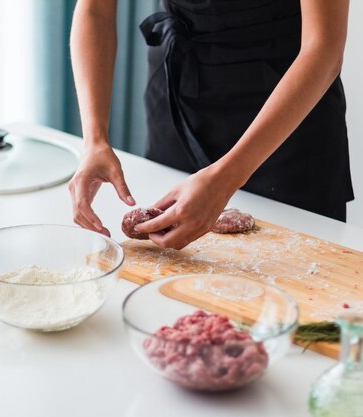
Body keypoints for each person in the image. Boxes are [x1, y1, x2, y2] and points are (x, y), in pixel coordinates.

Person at [68, 0, 353, 249]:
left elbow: (324, 46)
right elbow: (96, 9)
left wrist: (227, 177)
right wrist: (95, 140)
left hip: (289, 120)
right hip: (177, 101)